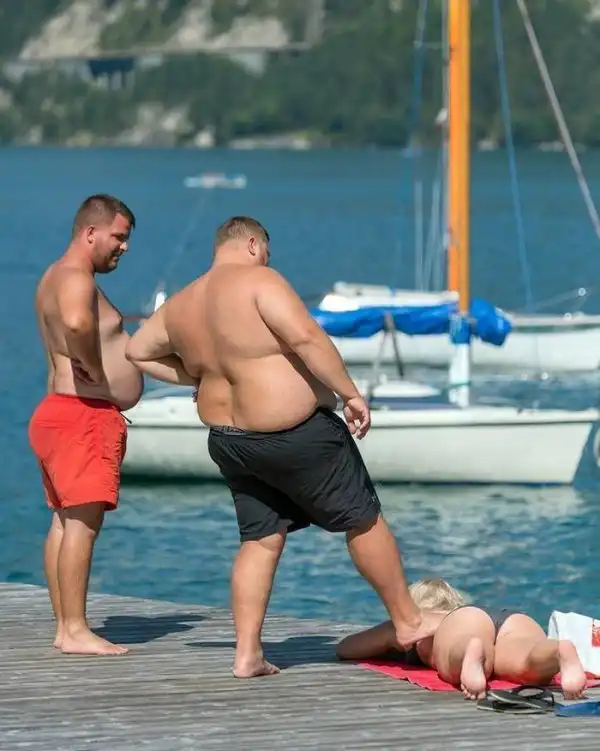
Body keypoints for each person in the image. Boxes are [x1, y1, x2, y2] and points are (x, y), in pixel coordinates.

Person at [125, 215, 440, 678]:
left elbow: (137, 351)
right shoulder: (260, 281)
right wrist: (350, 394)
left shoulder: (182, 303)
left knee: (260, 539)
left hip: (230, 441)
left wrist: (198, 376)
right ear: (253, 245)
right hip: (294, 434)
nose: (268, 260)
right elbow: (306, 338)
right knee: (362, 518)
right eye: (267, 252)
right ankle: (409, 621)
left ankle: (247, 653)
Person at [28, 194, 195, 656]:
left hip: (58, 411)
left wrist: (194, 377)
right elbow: (78, 323)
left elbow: (116, 344)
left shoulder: (53, 276)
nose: (124, 247)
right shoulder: (76, 278)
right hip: (83, 414)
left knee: (64, 521)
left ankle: (65, 626)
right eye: (118, 237)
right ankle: (75, 630)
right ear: (90, 233)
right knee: (83, 524)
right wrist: (92, 367)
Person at [336, 578, 587, 700]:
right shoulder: (461, 612)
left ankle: (469, 648)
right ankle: (557, 651)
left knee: (455, 651)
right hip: (512, 619)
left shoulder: (415, 621)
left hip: (465, 625)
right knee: (526, 663)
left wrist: (390, 635)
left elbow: (346, 648)